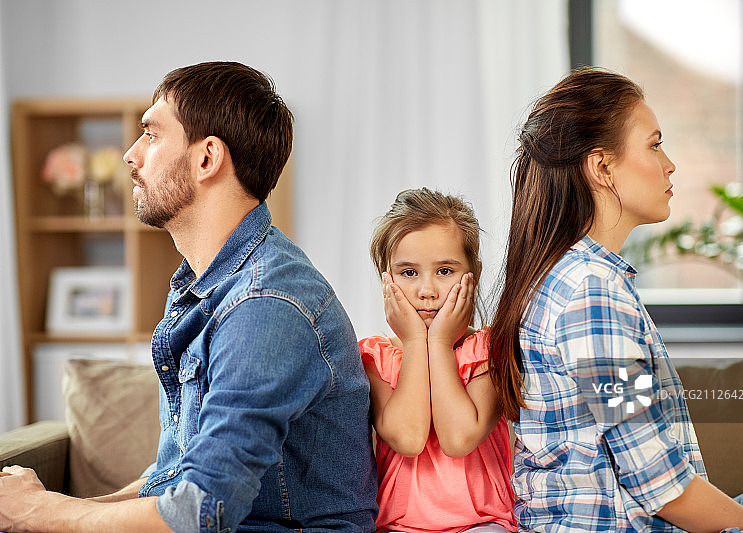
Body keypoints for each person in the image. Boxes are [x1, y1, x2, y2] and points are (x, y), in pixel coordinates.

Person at [0, 61, 378, 533]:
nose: (130, 155)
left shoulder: (265, 306)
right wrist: (44, 509)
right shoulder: (204, 289)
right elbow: (174, 479)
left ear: (207, 159)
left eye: (152, 135)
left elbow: (202, 509)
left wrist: (41, 512)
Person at [487, 66, 743, 533]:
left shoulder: (571, 277)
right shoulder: (591, 296)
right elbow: (662, 488)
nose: (669, 163)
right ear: (602, 167)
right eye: (654, 144)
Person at [359, 188, 516, 533]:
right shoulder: (375, 357)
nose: (426, 290)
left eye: (445, 271)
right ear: (385, 278)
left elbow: (459, 438)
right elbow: (409, 437)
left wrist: (440, 343)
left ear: (471, 274)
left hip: (483, 523)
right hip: (399, 526)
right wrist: (417, 342)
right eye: (408, 273)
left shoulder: (489, 350)